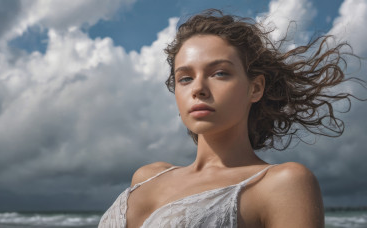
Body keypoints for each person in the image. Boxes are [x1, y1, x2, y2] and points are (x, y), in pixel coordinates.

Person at [99, 9, 363, 228]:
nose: (198, 88)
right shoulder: (147, 175)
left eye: (219, 73)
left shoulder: (281, 183)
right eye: (185, 78)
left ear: (255, 88)